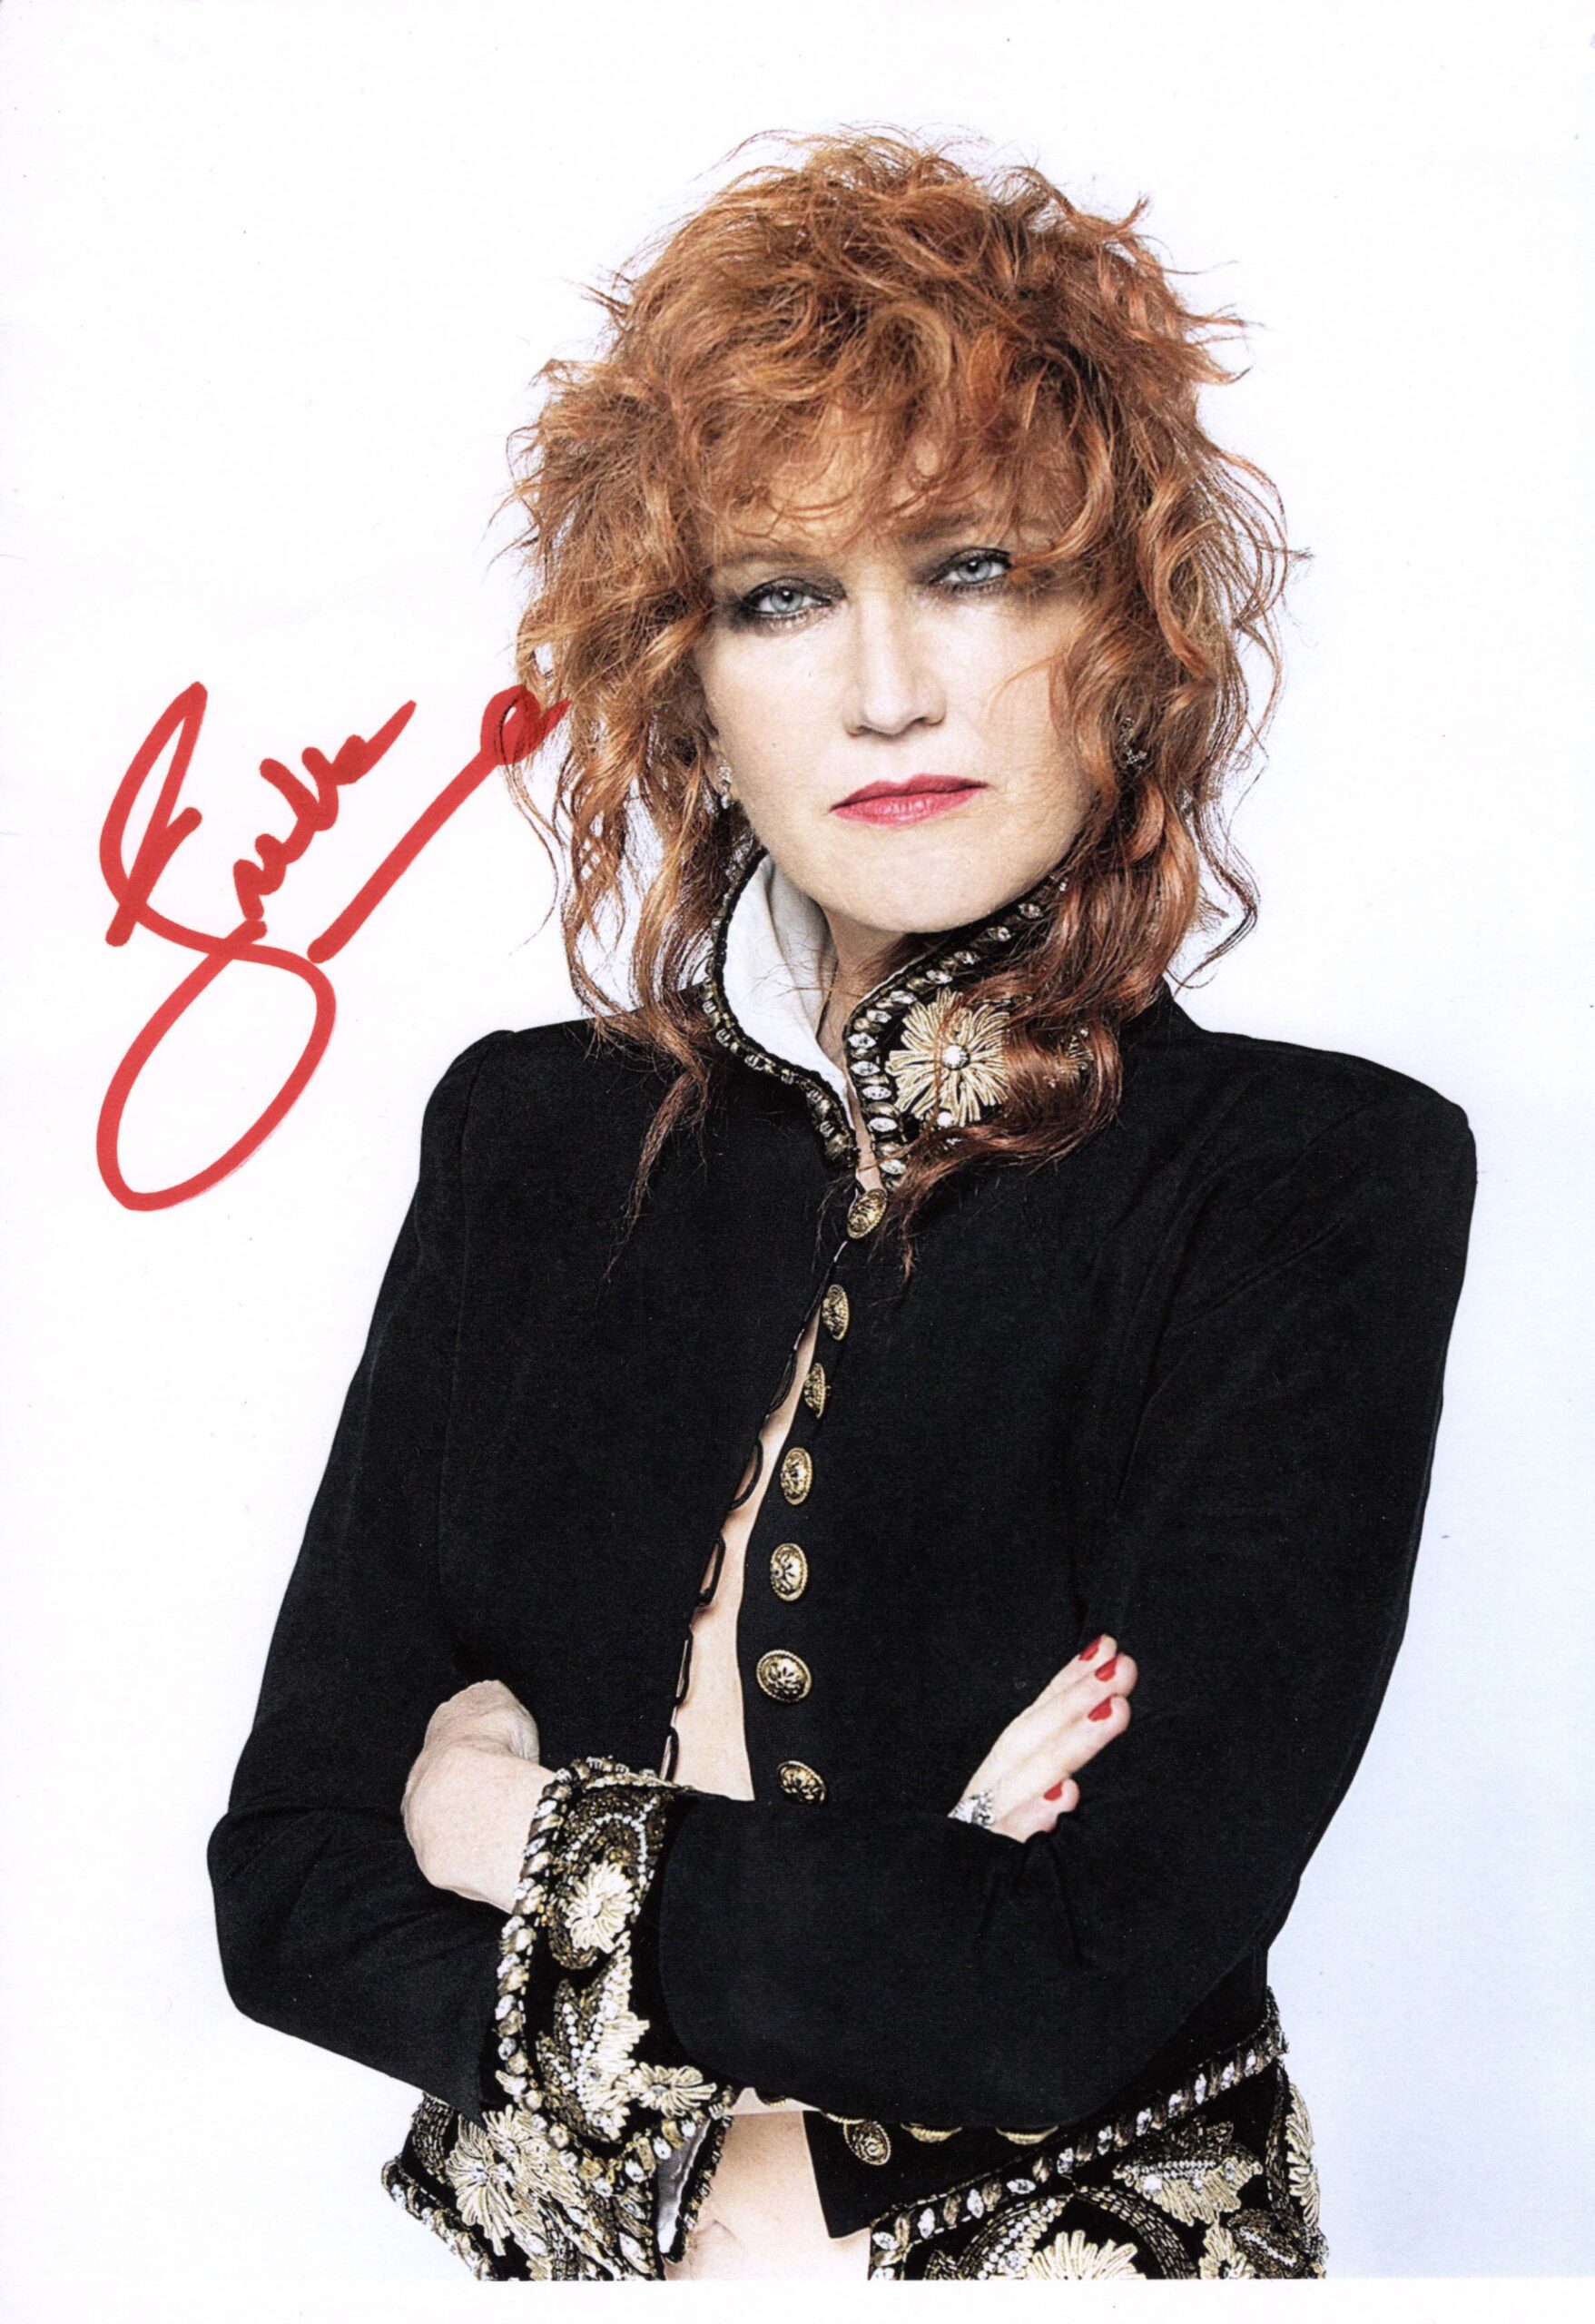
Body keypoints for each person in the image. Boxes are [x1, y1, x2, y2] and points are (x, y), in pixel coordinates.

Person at [208, 133, 1476, 2282]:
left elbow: (1064, 1985)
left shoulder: (1309, 1179)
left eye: (976, 568)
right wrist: (882, 1914)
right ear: (689, 683)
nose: (888, 689)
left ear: (1124, 632)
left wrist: (514, 1831)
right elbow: (292, 1887)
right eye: (781, 595)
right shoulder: (528, 1140)